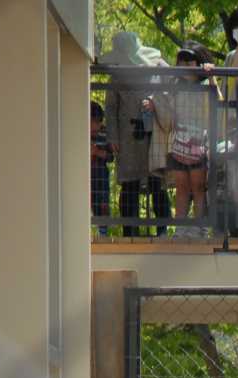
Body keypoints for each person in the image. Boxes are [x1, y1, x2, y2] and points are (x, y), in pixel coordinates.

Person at [100, 30, 171, 236]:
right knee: (129, 184)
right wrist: (112, 136)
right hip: (127, 135)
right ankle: (129, 231)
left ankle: (163, 230)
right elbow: (111, 107)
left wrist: (155, 103)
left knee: (157, 181)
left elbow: (171, 88)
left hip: (153, 132)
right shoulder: (115, 76)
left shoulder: (158, 67)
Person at [147, 43, 220, 239]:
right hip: (178, 142)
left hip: (199, 143)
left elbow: (218, 102)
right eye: (182, 61)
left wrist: (212, 75)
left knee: (198, 186)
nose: (186, 65)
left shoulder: (206, 85)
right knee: (181, 187)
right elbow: (167, 112)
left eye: (190, 61)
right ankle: (180, 226)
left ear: (200, 61)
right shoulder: (175, 86)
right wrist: (154, 104)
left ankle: (200, 226)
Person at [90, 101, 113, 235]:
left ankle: (103, 232)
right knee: (88, 202)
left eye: (99, 122)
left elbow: (111, 157)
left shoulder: (104, 133)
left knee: (103, 203)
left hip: (101, 175)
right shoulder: (80, 132)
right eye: (93, 121)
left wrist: (97, 152)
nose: (96, 126)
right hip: (84, 176)